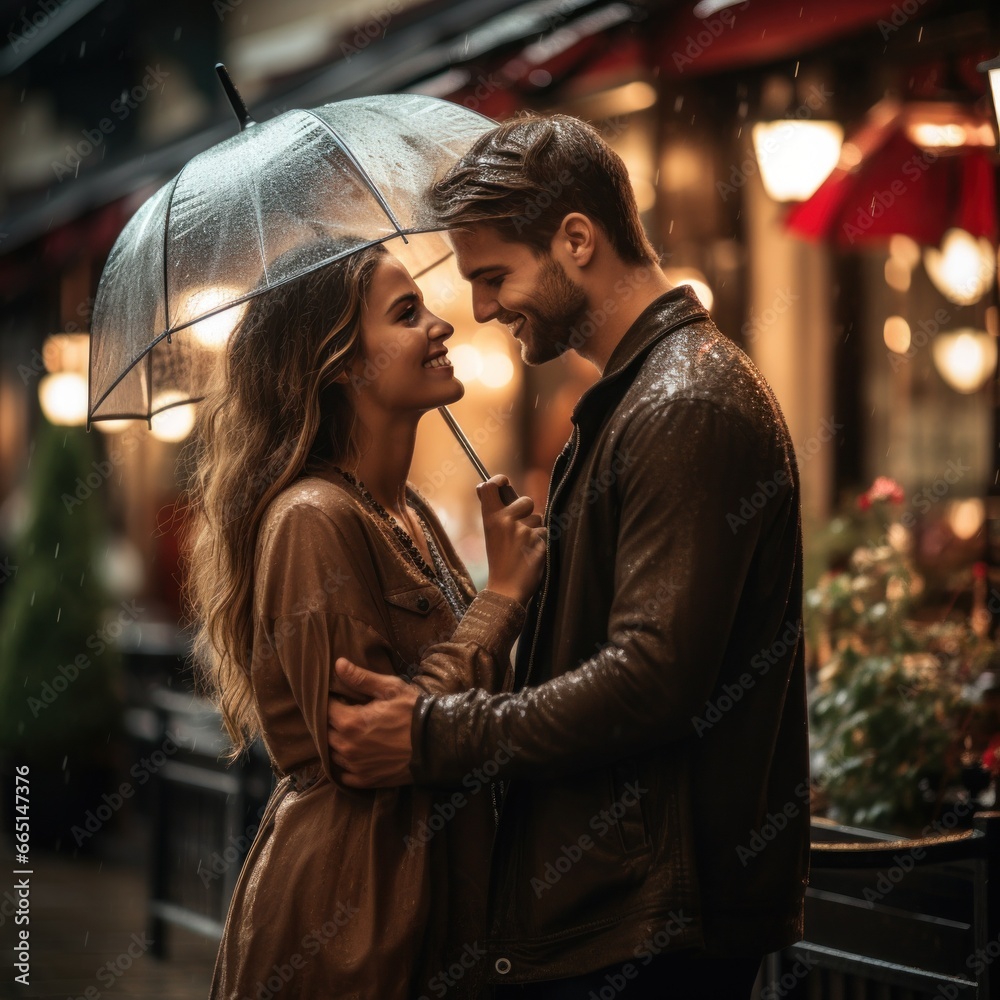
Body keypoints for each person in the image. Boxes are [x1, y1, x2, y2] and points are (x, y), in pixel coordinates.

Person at [326, 113, 810, 999]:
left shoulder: (682, 401)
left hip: (654, 924)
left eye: (494, 275)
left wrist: (430, 735)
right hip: (627, 913)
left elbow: (651, 680)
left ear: (576, 240)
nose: (479, 308)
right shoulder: (631, 401)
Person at [184, 241, 546, 999]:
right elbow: (364, 740)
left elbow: (462, 707)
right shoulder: (312, 518)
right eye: (407, 313)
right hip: (353, 916)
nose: (442, 326)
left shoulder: (408, 514)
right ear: (342, 364)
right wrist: (501, 600)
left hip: (436, 897)